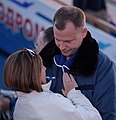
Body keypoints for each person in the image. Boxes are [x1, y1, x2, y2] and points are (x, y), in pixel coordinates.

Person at [39, 6, 116, 120]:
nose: (62, 47)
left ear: (84, 33)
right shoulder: (43, 61)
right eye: (57, 39)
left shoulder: (103, 66)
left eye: (68, 41)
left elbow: (107, 115)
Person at [3, 48, 102, 120]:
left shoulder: (19, 106)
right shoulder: (49, 103)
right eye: (41, 67)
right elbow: (95, 118)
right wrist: (74, 93)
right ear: (33, 74)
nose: (45, 69)